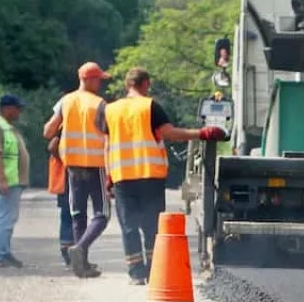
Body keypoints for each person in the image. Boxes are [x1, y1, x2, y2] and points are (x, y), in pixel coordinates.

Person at [96, 67, 227, 285]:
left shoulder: (110, 110)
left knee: (128, 226)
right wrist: (203, 133)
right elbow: (170, 133)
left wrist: (108, 175)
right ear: (146, 84)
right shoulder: (150, 106)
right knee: (151, 226)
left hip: (122, 177)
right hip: (150, 176)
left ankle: (136, 273)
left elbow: (107, 145)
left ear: (128, 85)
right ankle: (153, 270)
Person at [44, 62, 110, 278]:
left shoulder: (66, 101)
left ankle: (82, 266)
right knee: (102, 213)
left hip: (71, 165)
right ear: (89, 80)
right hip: (96, 164)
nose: (100, 83)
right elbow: (109, 135)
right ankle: (81, 249)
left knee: (78, 214)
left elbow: (48, 131)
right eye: (99, 79)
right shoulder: (100, 104)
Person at [0, 94, 30, 269]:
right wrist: (2, 179)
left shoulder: (7, 127)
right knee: (4, 219)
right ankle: (2, 255)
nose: (19, 112)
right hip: (7, 182)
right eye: (17, 108)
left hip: (13, 181)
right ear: (7, 108)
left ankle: (5, 253)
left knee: (9, 219)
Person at [46, 136, 74, 267]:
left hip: (67, 178)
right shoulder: (63, 127)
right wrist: (66, 160)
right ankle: (70, 252)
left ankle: (68, 250)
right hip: (69, 177)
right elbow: (52, 146)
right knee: (71, 215)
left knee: (68, 215)